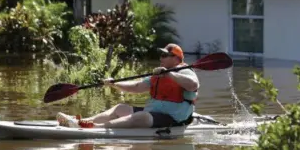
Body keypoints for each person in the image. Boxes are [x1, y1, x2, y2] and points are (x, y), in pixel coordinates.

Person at [56, 43, 200, 129]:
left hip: (174, 119)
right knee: (120, 108)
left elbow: (193, 85)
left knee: (141, 116)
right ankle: (81, 122)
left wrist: (169, 74)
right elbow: (137, 87)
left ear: (176, 59)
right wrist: (115, 84)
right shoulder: (159, 74)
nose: (160, 58)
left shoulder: (184, 71)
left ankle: (96, 128)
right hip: (154, 112)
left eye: (164, 55)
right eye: (160, 55)